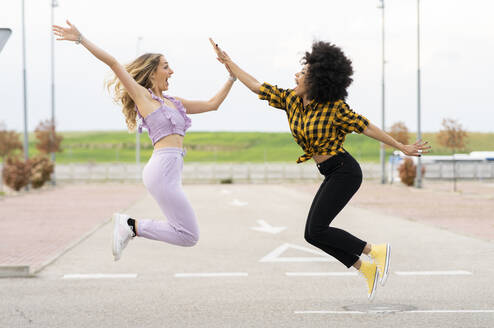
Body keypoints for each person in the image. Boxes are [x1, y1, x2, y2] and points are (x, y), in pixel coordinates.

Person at [210, 38, 430, 300]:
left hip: (345, 171)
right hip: (330, 172)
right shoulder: (290, 100)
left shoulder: (334, 107)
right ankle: (365, 269)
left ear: (315, 81)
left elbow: (366, 126)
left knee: (316, 230)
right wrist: (229, 63)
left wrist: (400, 146)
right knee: (312, 234)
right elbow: (257, 86)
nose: (296, 75)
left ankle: (374, 251)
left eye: (302, 73)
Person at [52, 21, 237, 261]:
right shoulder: (143, 98)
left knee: (187, 234)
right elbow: (114, 63)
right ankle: (130, 226)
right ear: (152, 72)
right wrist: (81, 39)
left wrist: (231, 76)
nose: (172, 72)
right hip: (161, 171)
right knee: (189, 235)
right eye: (166, 67)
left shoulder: (174, 102)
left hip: (170, 172)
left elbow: (212, 105)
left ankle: (131, 226)